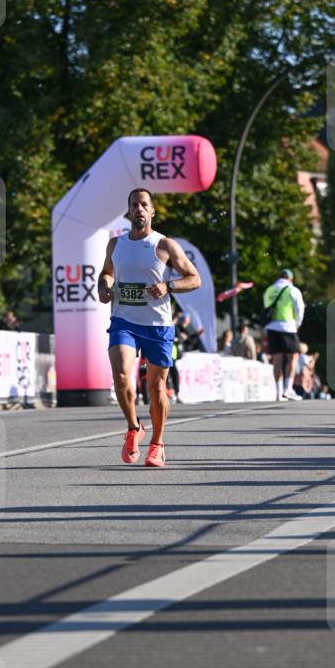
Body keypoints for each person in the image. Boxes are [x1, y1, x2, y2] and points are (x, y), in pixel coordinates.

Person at [98, 188, 200, 468]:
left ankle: (157, 444)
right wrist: (105, 287)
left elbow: (194, 278)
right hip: (124, 321)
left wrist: (168, 286)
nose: (139, 209)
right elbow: (107, 272)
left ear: (152, 211)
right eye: (134, 205)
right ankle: (133, 428)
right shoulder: (115, 245)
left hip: (157, 325)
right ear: (129, 212)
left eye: (144, 204)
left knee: (156, 388)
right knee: (120, 374)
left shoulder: (165, 245)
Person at [263, 268, 304, 401]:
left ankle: (278, 391)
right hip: (288, 326)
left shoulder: (270, 289)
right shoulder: (293, 290)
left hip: (272, 327)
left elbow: (266, 306)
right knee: (293, 357)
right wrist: (297, 324)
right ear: (290, 278)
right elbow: (300, 309)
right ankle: (288, 388)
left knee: (277, 359)